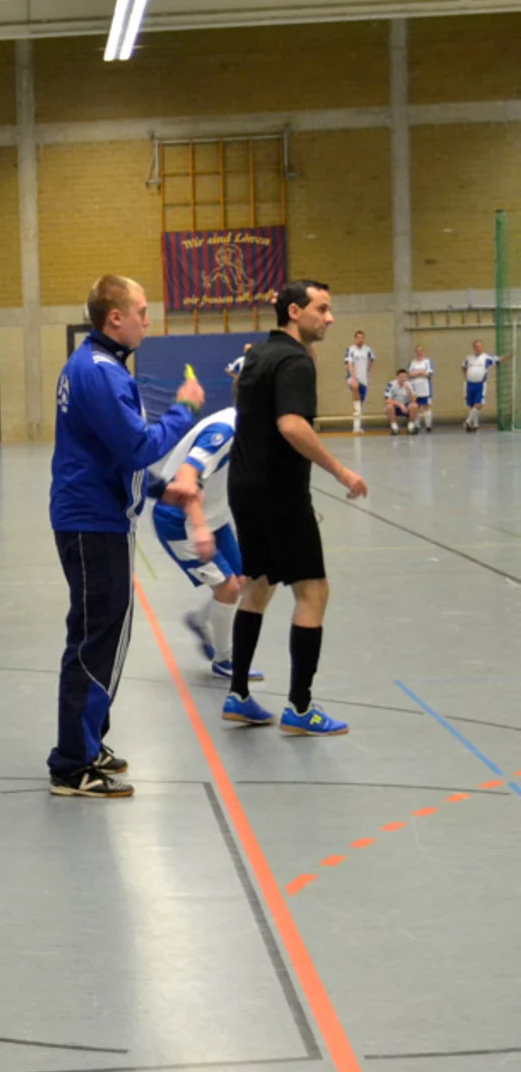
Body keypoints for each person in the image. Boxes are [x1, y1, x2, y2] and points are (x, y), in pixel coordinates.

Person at [47, 274, 205, 797]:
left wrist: (159, 491)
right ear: (114, 317)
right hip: (94, 523)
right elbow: (137, 448)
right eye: (140, 310)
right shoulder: (100, 373)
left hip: (96, 515)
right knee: (97, 640)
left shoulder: (98, 366)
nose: (147, 319)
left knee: (100, 634)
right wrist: (184, 409)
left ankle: (88, 741)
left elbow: (110, 455)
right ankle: (72, 763)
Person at [223, 280, 368, 736]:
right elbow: (291, 424)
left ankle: (239, 694)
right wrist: (341, 471)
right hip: (280, 494)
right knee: (313, 591)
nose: (329, 318)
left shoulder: (259, 355)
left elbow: (244, 401)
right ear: (293, 311)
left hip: (244, 486)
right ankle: (301, 708)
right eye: (321, 309)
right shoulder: (293, 362)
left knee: (259, 585)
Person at [149, 406, 263, 683]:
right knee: (228, 588)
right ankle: (224, 659)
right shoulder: (224, 431)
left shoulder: (253, 426)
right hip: (180, 520)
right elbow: (187, 476)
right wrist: (200, 528)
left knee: (243, 582)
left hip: (215, 516)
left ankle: (200, 621)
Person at [462, 337, 510, 431]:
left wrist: (510, 355)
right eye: (476, 346)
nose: (478, 348)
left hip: (480, 384)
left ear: (482, 347)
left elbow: (499, 359)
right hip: (470, 384)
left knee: (479, 403)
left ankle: (467, 421)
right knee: (472, 405)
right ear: (473, 347)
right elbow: (463, 367)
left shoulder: (487, 357)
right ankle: (474, 424)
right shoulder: (469, 358)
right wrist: (465, 377)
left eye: (480, 346)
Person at [343, 329, 375, 433]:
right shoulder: (350, 349)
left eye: (362, 338)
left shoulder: (368, 350)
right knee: (355, 388)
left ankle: (357, 426)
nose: (360, 340)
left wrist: (367, 372)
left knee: (360, 403)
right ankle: (356, 427)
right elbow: (349, 364)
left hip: (364, 378)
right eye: (358, 338)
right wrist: (353, 377)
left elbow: (372, 360)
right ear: (355, 338)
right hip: (352, 377)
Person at [407, 344, 435, 432]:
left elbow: (429, 373)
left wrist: (416, 373)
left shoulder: (427, 361)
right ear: (415, 352)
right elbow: (409, 374)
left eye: (421, 350)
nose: (419, 352)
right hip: (415, 387)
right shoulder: (412, 362)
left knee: (426, 406)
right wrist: (421, 372)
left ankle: (428, 425)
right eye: (417, 351)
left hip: (425, 387)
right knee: (416, 406)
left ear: (423, 351)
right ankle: (417, 425)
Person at [384, 369, 415, 434]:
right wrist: (400, 405)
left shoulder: (410, 384)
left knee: (414, 406)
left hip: (406, 406)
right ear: (397, 377)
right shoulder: (391, 384)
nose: (402, 379)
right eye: (401, 377)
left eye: (404, 377)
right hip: (396, 406)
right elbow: (387, 400)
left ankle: (411, 427)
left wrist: (408, 390)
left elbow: (413, 400)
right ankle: (394, 427)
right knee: (389, 406)